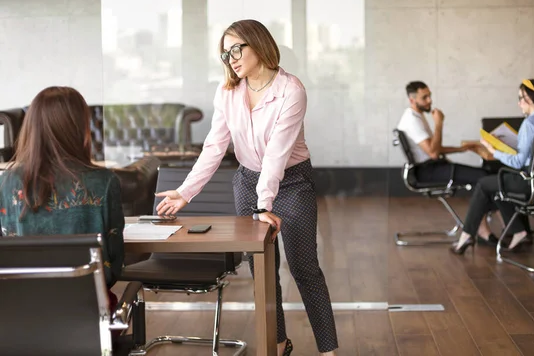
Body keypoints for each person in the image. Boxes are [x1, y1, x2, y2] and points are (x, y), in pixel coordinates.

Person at [155, 19, 338, 356]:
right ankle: (278, 343)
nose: (231, 58)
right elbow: (214, 146)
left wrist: (263, 204)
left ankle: (329, 351)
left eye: (237, 49)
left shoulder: (291, 90)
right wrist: (185, 191)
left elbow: (277, 155)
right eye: (226, 53)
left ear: (259, 44)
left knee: (304, 267)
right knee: (263, 271)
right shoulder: (228, 92)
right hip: (248, 180)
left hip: (293, 181)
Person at [0, 86, 125, 298]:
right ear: (80, 128)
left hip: (19, 315)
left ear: (32, 127)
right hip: (87, 316)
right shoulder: (104, 182)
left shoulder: (6, 182)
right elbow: (114, 261)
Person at [450, 79, 534, 254]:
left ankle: (468, 234)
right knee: (496, 185)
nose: (519, 103)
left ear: (530, 99)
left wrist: (494, 151)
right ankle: (519, 232)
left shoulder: (529, 123)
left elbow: (518, 162)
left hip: (528, 181)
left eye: (521, 98)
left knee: (484, 184)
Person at [397, 81, 489, 186]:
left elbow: (434, 148)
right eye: (424, 97)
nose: (429, 100)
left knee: (484, 174)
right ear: (412, 100)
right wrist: (439, 123)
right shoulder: (412, 121)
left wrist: (462, 149)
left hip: (431, 167)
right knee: (484, 176)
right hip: (427, 171)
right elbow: (434, 154)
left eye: (429, 96)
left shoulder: (416, 116)